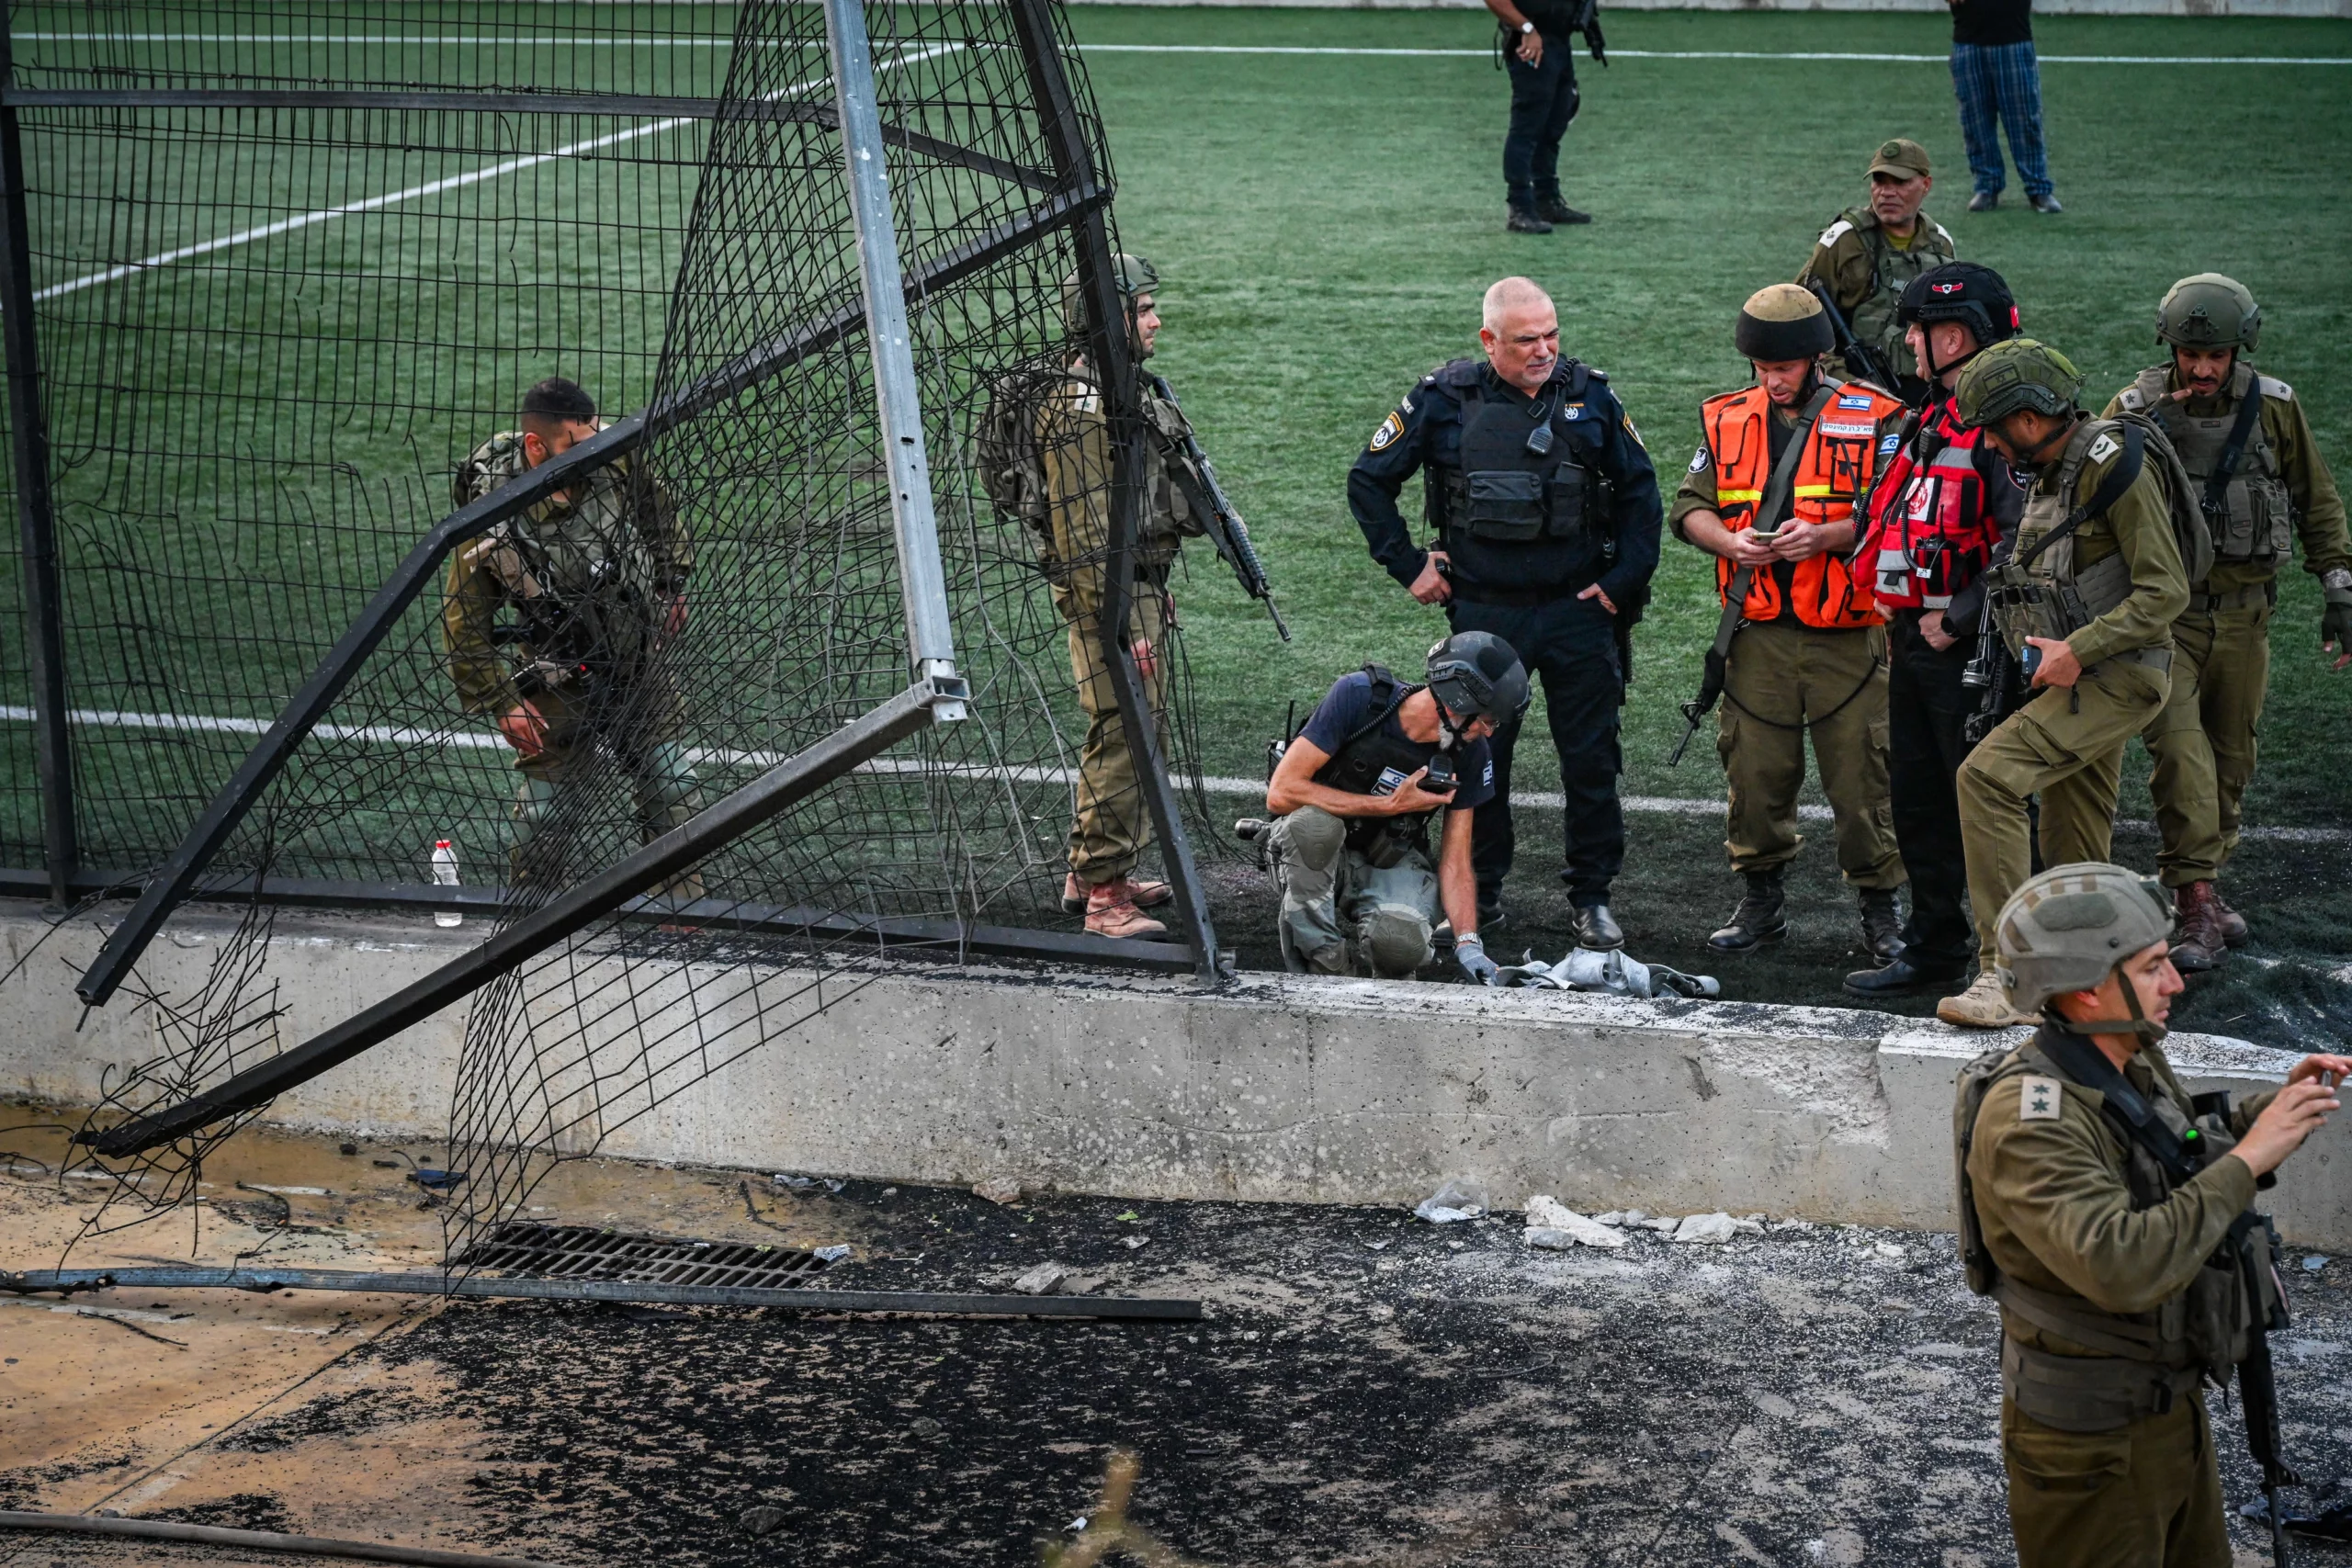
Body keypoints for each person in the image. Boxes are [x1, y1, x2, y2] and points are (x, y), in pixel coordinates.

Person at [1957, 861, 2347, 1567]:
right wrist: (2249, 1159)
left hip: (2166, 1407)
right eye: (2153, 966)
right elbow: (2123, 1264)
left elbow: (2179, 1147)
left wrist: (2273, 1112)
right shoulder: (2029, 1119)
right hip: (2090, 1445)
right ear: (2083, 989)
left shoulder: (2120, 1056)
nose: (2175, 982)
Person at [1348, 276, 1662, 949]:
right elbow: (1368, 480)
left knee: (1592, 759)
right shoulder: (1442, 399)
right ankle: (1480, 892)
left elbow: (1642, 491)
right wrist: (1410, 566)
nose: (1544, 350)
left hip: (1580, 611)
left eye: (1552, 335)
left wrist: (1621, 582)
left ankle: (1593, 896)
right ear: (1489, 341)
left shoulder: (1591, 395)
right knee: (1480, 762)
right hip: (1486, 619)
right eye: (1527, 341)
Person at [2100, 274, 2352, 970]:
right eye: (2189, 354)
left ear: (2241, 349)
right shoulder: (2133, 408)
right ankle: (2197, 899)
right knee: (2181, 757)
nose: (2203, 368)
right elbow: (2088, 499)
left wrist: (2340, 590)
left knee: (2230, 761)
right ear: (2170, 347)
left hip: (2246, 617)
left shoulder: (2275, 409)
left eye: (2216, 355)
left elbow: (2316, 500)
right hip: (2166, 622)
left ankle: (2201, 886)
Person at [1944, 340, 2188, 1029]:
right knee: (2074, 829)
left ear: (2027, 417)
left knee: (1986, 779)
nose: (1989, 443)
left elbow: (2165, 591)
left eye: (1993, 428)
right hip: (2084, 673)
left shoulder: (2112, 468)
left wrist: (2078, 650)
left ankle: (2008, 975)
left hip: (2118, 673)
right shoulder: (2059, 469)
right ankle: (2088, 977)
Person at [1671, 285, 1907, 959]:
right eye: (1762, 368)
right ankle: (1761, 900)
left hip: (1849, 636)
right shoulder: (1724, 419)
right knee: (1755, 774)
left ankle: (1880, 908)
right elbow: (1690, 506)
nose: (1772, 380)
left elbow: (1899, 512)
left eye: (1784, 368)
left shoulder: (1881, 418)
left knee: (1863, 780)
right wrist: (1728, 542)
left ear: (1816, 358)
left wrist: (1828, 536)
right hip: (1758, 635)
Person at [1845, 263, 2028, 998]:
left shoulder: (2000, 427)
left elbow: (2026, 544)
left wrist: (1956, 619)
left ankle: (2004, 957)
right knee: (1918, 800)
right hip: (1913, 642)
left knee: (1983, 809)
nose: (1909, 346)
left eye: (1918, 332)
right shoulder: (1932, 415)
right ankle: (1935, 948)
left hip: (1969, 652)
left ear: (1954, 337)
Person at [442, 376, 701, 894]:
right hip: (554, 670)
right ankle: (532, 913)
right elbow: (464, 617)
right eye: (573, 446)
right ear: (536, 446)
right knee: (545, 816)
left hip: (633, 655)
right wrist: (501, 701)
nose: (592, 452)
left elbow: (658, 511)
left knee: (671, 784)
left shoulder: (608, 454)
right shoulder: (493, 507)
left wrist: (671, 583)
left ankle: (681, 913)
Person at [1036, 253, 1208, 940]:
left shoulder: (1113, 388)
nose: (1155, 319)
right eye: (1140, 309)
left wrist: (1148, 585)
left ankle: (1088, 870)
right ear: (1103, 319)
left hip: (1129, 585)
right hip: (1104, 593)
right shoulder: (1079, 404)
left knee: (1123, 727)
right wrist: (1119, 619)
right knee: (1127, 733)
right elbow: (1083, 530)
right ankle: (1106, 897)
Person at [1263, 633, 1524, 982]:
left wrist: (1468, 943)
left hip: (1386, 856)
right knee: (1314, 827)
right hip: (1315, 849)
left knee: (1401, 946)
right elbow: (1281, 792)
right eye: (1488, 720)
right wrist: (1389, 804)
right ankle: (1327, 975)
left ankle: (1387, 998)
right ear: (1454, 705)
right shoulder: (1356, 696)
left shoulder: (1471, 754)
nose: (1489, 733)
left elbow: (1456, 860)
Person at [1797, 139, 1957, 400]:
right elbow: (1802, 318)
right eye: (1880, 182)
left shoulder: (1940, 243)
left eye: (1900, 183)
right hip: (1854, 387)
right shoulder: (1844, 240)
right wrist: (1846, 380)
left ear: (1925, 185)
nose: (1887, 192)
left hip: (1927, 387)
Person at [1481, 0, 1600, 233]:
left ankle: (1547, 200)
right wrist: (1526, 28)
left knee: (1554, 125)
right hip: (1531, 40)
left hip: (1558, 39)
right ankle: (1520, 207)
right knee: (1527, 128)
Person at [1947, 0, 2058, 215]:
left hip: (2013, 39)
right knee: (1974, 120)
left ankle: (2038, 188)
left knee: (2024, 119)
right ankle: (1987, 186)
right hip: (1967, 41)